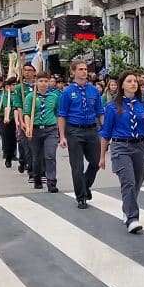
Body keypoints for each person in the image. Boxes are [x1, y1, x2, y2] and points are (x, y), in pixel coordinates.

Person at [99, 71, 144, 233]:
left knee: (138, 180)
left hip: (140, 146)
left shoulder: (143, 105)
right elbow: (106, 132)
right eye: (129, 81)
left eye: (135, 81)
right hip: (121, 147)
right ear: (122, 85)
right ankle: (133, 218)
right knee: (128, 182)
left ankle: (127, 207)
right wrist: (102, 157)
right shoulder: (112, 107)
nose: (134, 84)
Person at [57, 58, 104, 209]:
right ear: (73, 72)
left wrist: (105, 131)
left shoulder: (94, 91)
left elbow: (100, 112)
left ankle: (85, 184)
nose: (84, 72)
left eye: (85, 69)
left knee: (96, 161)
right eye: (81, 69)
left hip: (91, 129)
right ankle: (81, 196)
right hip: (74, 130)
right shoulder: (67, 92)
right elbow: (62, 115)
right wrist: (62, 136)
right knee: (76, 165)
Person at [24, 73, 61, 192]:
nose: (43, 83)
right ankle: (37, 178)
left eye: (46, 81)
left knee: (50, 155)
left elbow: (57, 113)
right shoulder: (31, 97)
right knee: (36, 157)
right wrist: (28, 128)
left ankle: (51, 182)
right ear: (36, 82)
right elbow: (27, 114)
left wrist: (60, 130)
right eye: (40, 81)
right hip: (35, 129)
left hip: (50, 129)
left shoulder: (54, 96)